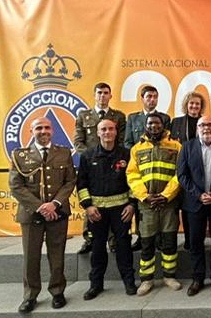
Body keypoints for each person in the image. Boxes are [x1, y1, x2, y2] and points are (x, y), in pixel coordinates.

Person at [9, 117, 76, 313]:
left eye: (47, 127)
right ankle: (30, 296)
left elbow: (70, 181)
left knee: (57, 255)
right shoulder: (20, 155)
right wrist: (41, 207)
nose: (43, 131)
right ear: (31, 131)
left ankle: (57, 291)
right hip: (31, 215)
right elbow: (16, 186)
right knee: (31, 257)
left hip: (58, 213)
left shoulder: (63, 153)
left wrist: (54, 204)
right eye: (39, 128)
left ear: (52, 131)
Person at [76, 119, 136, 299]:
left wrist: (132, 204)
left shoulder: (127, 154)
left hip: (121, 210)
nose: (107, 132)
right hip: (97, 212)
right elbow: (82, 185)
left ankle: (129, 281)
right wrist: (88, 206)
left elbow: (133, 180)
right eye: (104, 129)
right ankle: (96, 284)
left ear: (116, 132)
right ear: (98, 132)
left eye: (111, 129)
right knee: (97, 248)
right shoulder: (87, 155)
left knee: (124, 246)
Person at [126, 113, 182, 296]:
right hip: (146, 205)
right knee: (147, 243)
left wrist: (166, 195)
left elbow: (179, 174)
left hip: (168, 204)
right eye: (150, 123)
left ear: (163, 125)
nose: (154, 126)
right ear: (145, 125)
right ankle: (147, 280)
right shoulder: (136, 149)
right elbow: (132, 175)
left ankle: (169, 276)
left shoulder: (175, 146)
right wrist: (145, 196)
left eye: (157, 123)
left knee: (169, 241)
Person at [177, 116, 211, 296]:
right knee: (196, 242)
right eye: (202, 125)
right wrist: (199, 195)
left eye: (210, 125)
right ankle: (198, 277)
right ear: (197, 128)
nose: (206, 128)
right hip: (194, 203)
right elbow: (182, 176)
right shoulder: (187, 147)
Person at [74, 82, 127, 255]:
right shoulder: (83, 116)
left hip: (114, 163)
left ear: (110, 95)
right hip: (91, 164)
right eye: (99, 93)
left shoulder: (118, 116)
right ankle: (89, 238)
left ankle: (113, 241)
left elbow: (121, 141)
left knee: (113, 201)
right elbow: (78, 141)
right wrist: (90, 156)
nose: (102, 96)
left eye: (106, 93)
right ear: (94, 95)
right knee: (91, 200)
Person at [124, 85, 171, 251]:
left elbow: (166, 140)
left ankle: (158, 237)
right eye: (149, 96)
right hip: (140, 166)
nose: (152, 99)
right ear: (142, 98)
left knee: (159, 204)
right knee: (141, 203)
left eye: (155, 97)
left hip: (159, 166)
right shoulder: (132, 118)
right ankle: (141, 236)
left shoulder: (165, 117)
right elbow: (128, 141)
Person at [170, 91, 206, 249]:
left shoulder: (205, 122)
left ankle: (198, 239)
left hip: (201, 169)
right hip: (182, 167)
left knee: (199, 207)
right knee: (186, 206)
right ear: (186, 105)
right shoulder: (176, 122)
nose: (194, 106)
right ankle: (188, 239)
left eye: (197, 104)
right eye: (191, 103)